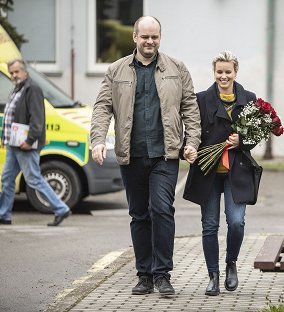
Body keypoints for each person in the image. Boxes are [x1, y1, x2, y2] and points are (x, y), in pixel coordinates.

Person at [90, 16, 201, 296]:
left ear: (160, 38)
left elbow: (190, 108)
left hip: (166, 154)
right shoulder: (116, 70)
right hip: (132, 155)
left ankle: (162, 274)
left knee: (162, 210)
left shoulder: (177, 68)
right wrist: (98, 140)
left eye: (154, 37)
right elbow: (103, 107)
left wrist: (192, 142)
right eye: (145, 37)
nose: (149, 42)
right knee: (139, 215)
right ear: (135, 38)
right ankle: (144, 275)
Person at [183, 51, 257, 296]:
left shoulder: (249, 98)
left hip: (237, 171)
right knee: (210, 225)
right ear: (214, 72)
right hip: (208, 172)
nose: (223, 76)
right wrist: (190, 147)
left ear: (236, 72)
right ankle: (212, 275)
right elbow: (192, 130)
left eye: (228, 72)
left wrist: (242, 140)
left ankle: (231, 263)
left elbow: (257, 136)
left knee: (236, 222)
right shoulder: (201, 99)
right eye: (219, 72)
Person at [0, 59, 71, 226]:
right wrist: (5, 139)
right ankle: (4, 214)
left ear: (25, 71)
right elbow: (11, 116)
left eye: (17, 71)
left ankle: (61, 208)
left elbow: (37, 118)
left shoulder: (33, 89)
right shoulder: (17, 89)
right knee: (7, 178)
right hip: (13, 143)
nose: (14, 75)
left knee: (33, 179)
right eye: (11, 73)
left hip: (25, 144)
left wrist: (29, 139)